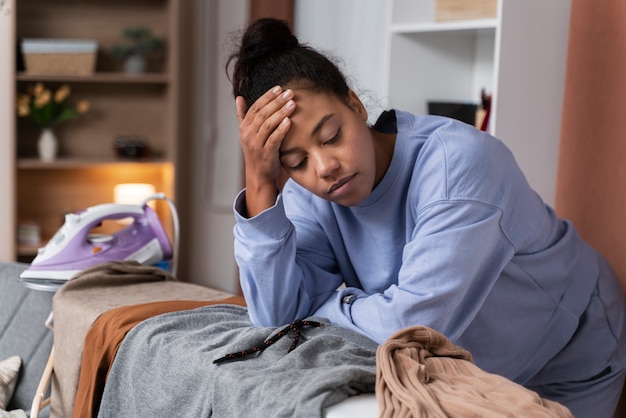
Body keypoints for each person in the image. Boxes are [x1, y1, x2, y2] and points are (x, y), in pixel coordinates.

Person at [227, 17, 626, 417]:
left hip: (570, 347)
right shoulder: (309, 193)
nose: (325, 166)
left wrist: (324, 305)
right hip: (470, 360)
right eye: (296, 161)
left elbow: (407, 327)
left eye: (332, 136)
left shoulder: (461, 166)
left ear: (355, 104)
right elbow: (276, 318)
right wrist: (261, 184)